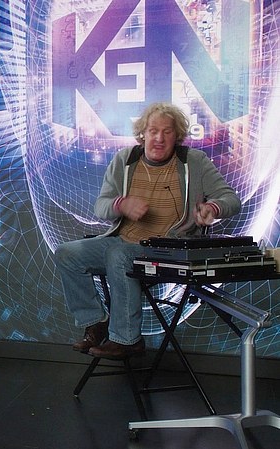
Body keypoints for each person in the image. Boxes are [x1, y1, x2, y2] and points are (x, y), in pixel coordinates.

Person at [53, 102, 241, 360]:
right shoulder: (125, 160)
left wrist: (212, 207)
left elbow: (231, 199)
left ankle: (127, 340)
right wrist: (121, 205)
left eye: (167, 132)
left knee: (119, 255)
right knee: (67, 253)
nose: (159, 138)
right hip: (123, 241)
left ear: (177, 136)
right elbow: (101, 206)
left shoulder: (194, 161)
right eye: (153, 131)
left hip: (169, 249)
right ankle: (96, 322)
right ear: (143, 133)